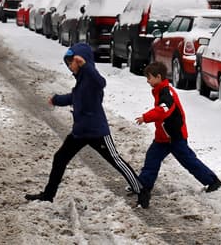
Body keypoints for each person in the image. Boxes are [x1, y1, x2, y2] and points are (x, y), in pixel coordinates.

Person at [25, 42, 141, 203]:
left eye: (71, 62)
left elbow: (102, 82)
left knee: (115, 160)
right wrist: (56, 99)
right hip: (79, 132)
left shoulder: (92, 81)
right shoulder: (81, 82)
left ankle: (140, 190)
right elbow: (74, 97)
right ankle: (48, 195)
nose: (69, 66)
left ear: (81, 60)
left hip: (97, 132)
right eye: (68, 63)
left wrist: (86, 66)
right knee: (60, 158)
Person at [132, 60, 221, 208]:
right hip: (163, 137)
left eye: (149, 78)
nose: (147, 81)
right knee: (152, 159)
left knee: (188, 160)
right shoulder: (160, 90)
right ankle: (143, 186)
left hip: (175, 137)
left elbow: (163, 110)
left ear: (159, 77)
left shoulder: (167, 93)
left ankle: (212, 181)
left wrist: (145, 117)